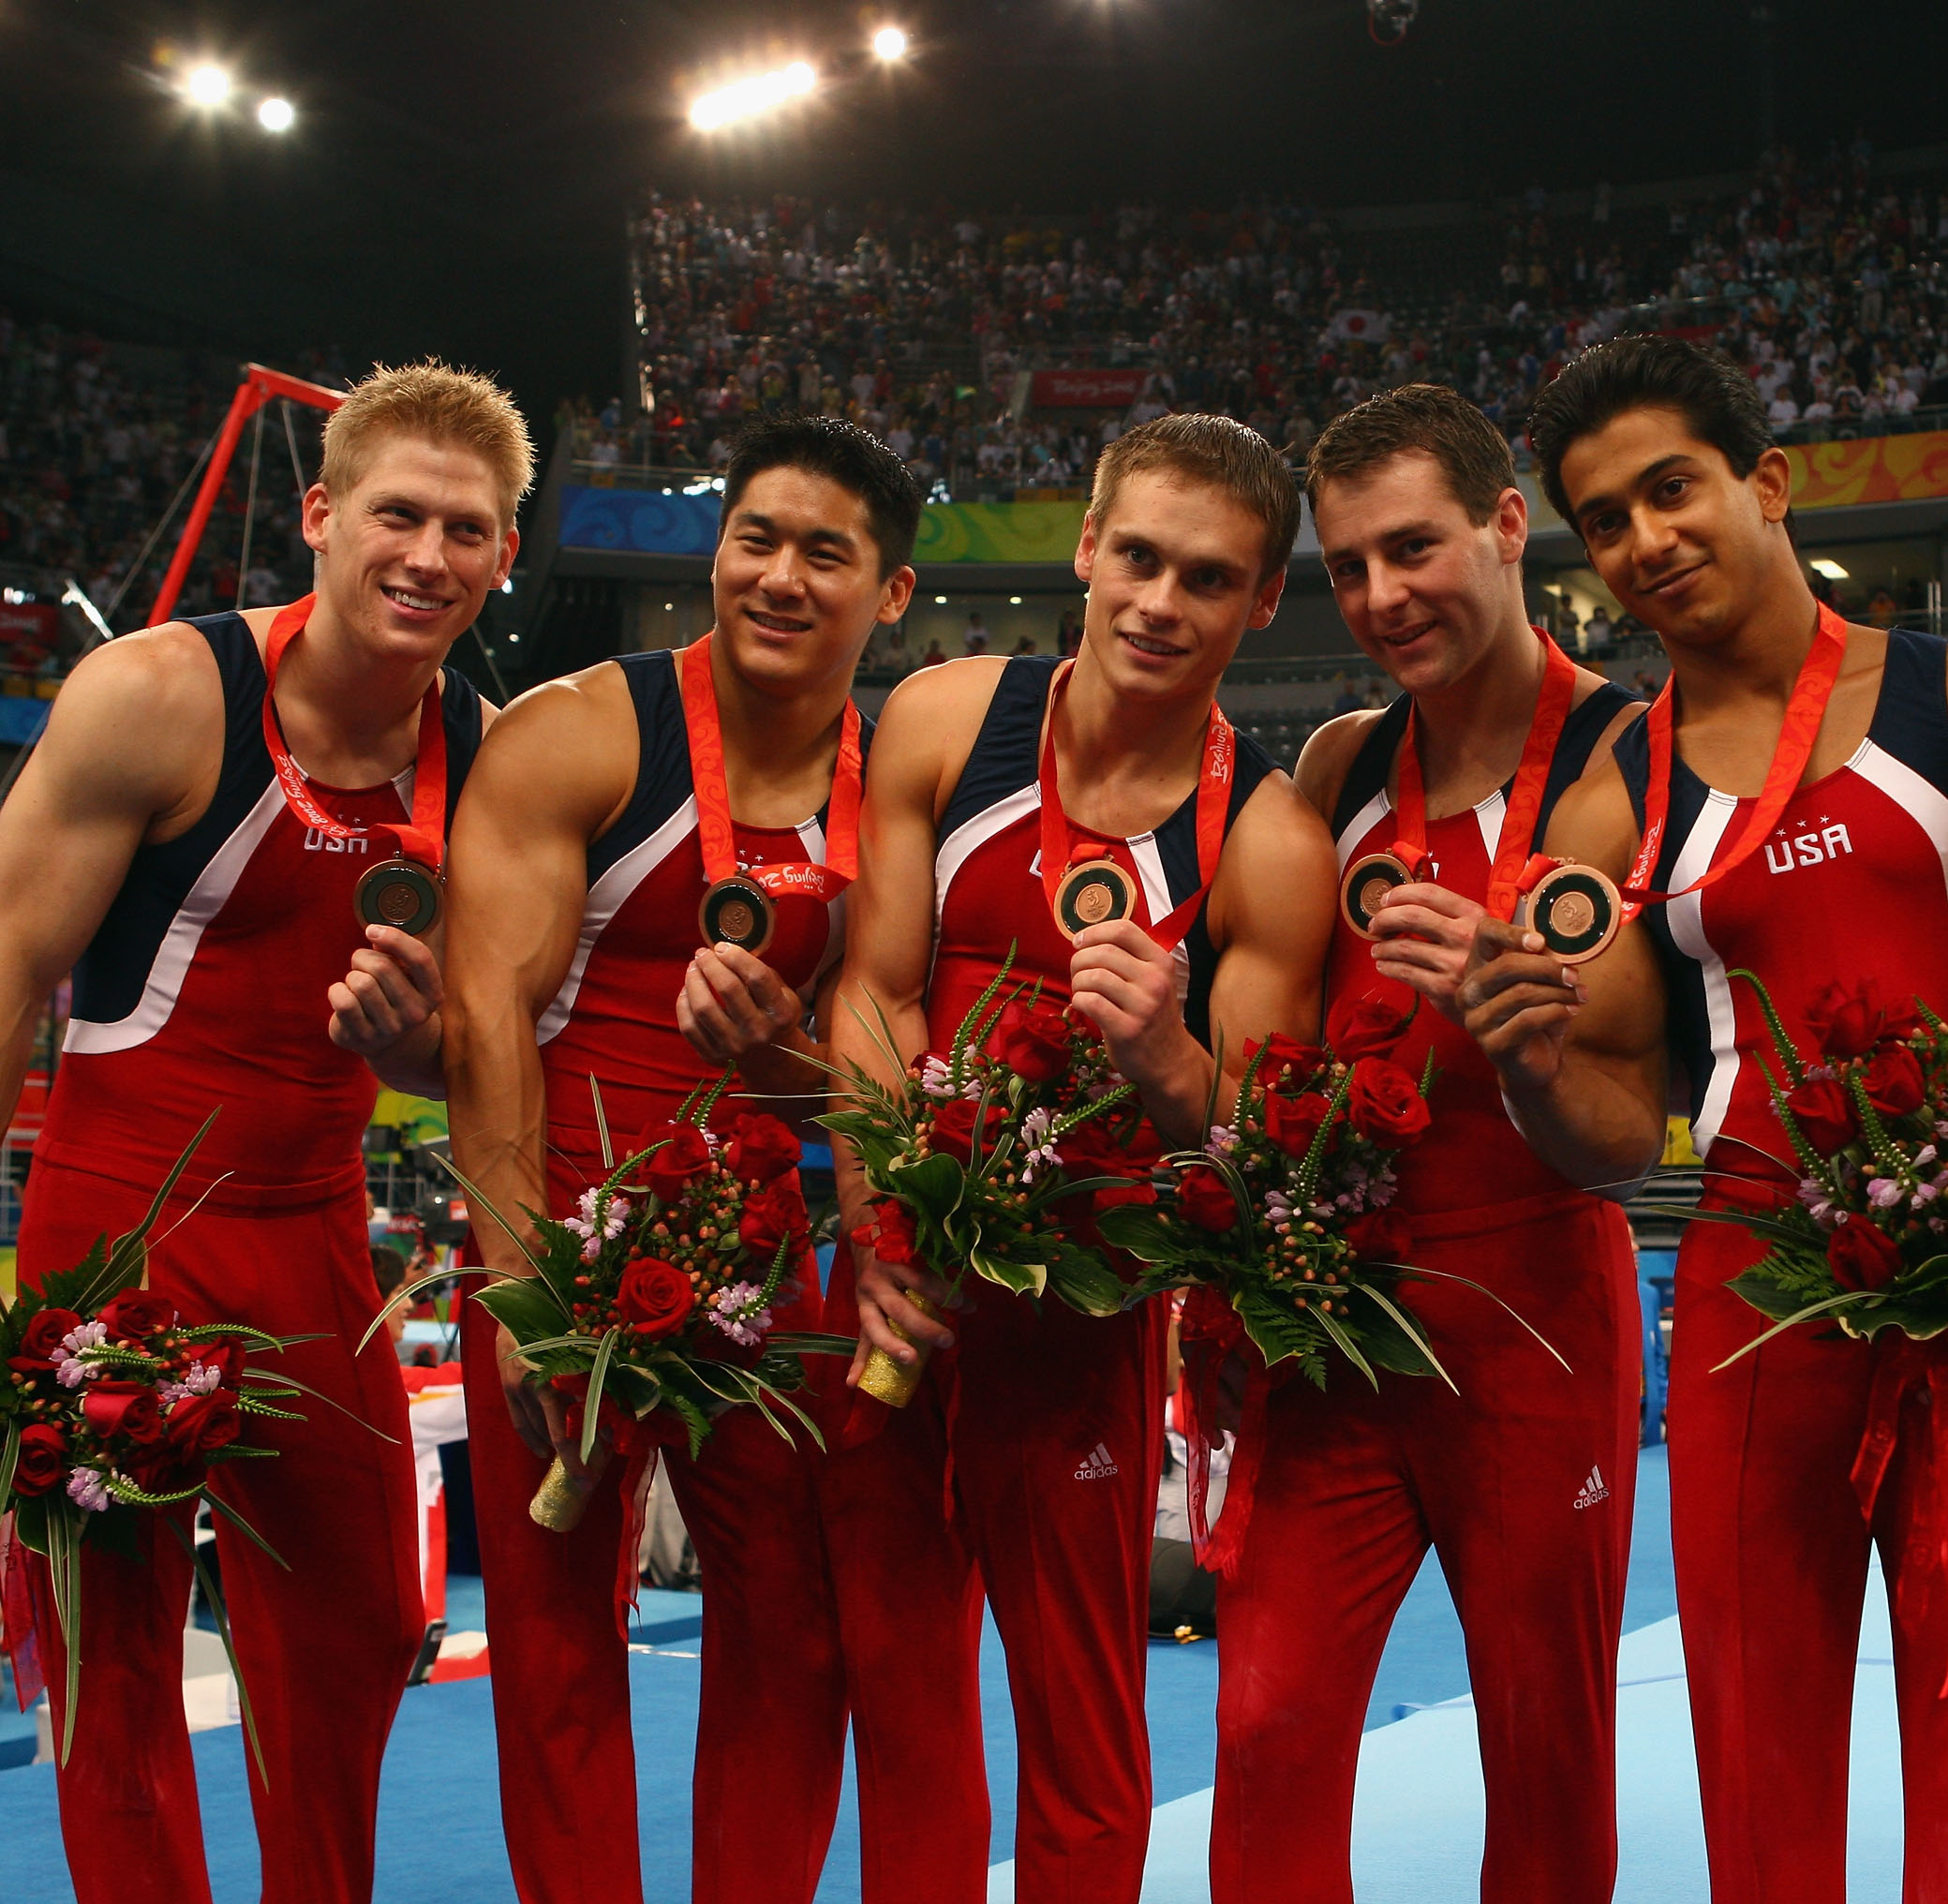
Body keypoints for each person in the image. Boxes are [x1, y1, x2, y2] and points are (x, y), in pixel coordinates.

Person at [1453, 336, 1948, 1903]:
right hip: (1753, 1299)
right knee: (1757, 1757)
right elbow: (1606, 1135)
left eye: (1673, 489)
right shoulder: (1613, 802)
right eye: (1606, 520)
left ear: (1766, 482)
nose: (1647, 541)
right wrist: (1528, 1063)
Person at [0, 362, 521, 1902]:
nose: (429, 554)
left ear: (503, 556)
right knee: (117, 1655)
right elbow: (13, 964)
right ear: (320, 514)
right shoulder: (161, 695)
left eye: (470, 530)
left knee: (361, 1621)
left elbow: (461, 1054)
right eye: (399, 513)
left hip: (315, 1232)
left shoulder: (484, 757)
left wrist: (411, 1042)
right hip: (117, 1236)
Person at [441, 413, 967, 1904]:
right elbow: (486, 1021)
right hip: (554, 1245)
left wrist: (774, 1063)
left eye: (827, 552)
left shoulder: (893, 788)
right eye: (757, 539)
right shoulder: (585, 731)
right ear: (715, 550)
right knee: (552, 1650)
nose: (781, 577)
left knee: (789, 1633)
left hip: (749, 1272)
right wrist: (524, 1291)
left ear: (894, 594)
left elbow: (848, 1083)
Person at [836, 412, 1335, 1903]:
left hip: (1089, 1320)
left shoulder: (1270, 841)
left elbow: (1249, 1155)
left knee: (1082, 1734)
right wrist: (878, 1231)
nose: (1158, 603)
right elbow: (874, 987)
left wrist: (1170, 1059)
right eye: (1136, 557)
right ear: (1086, 546)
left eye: (1206, 577)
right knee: (903, 1714)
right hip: (900, 1299)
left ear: (1259, 605)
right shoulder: (940, 716)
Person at [1213, 385, 1645, 1901]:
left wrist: (1521, 1043)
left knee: (1545, 1761)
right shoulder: (1335, 768)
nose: (1383, 595)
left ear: (1507, 524)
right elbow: (1254, 1060)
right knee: (1261, 1734)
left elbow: (1644, 1133)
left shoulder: (1631, 768)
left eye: (1415, 547)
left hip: (1538, 1314)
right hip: (1337, 1328)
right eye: (1347, 565)